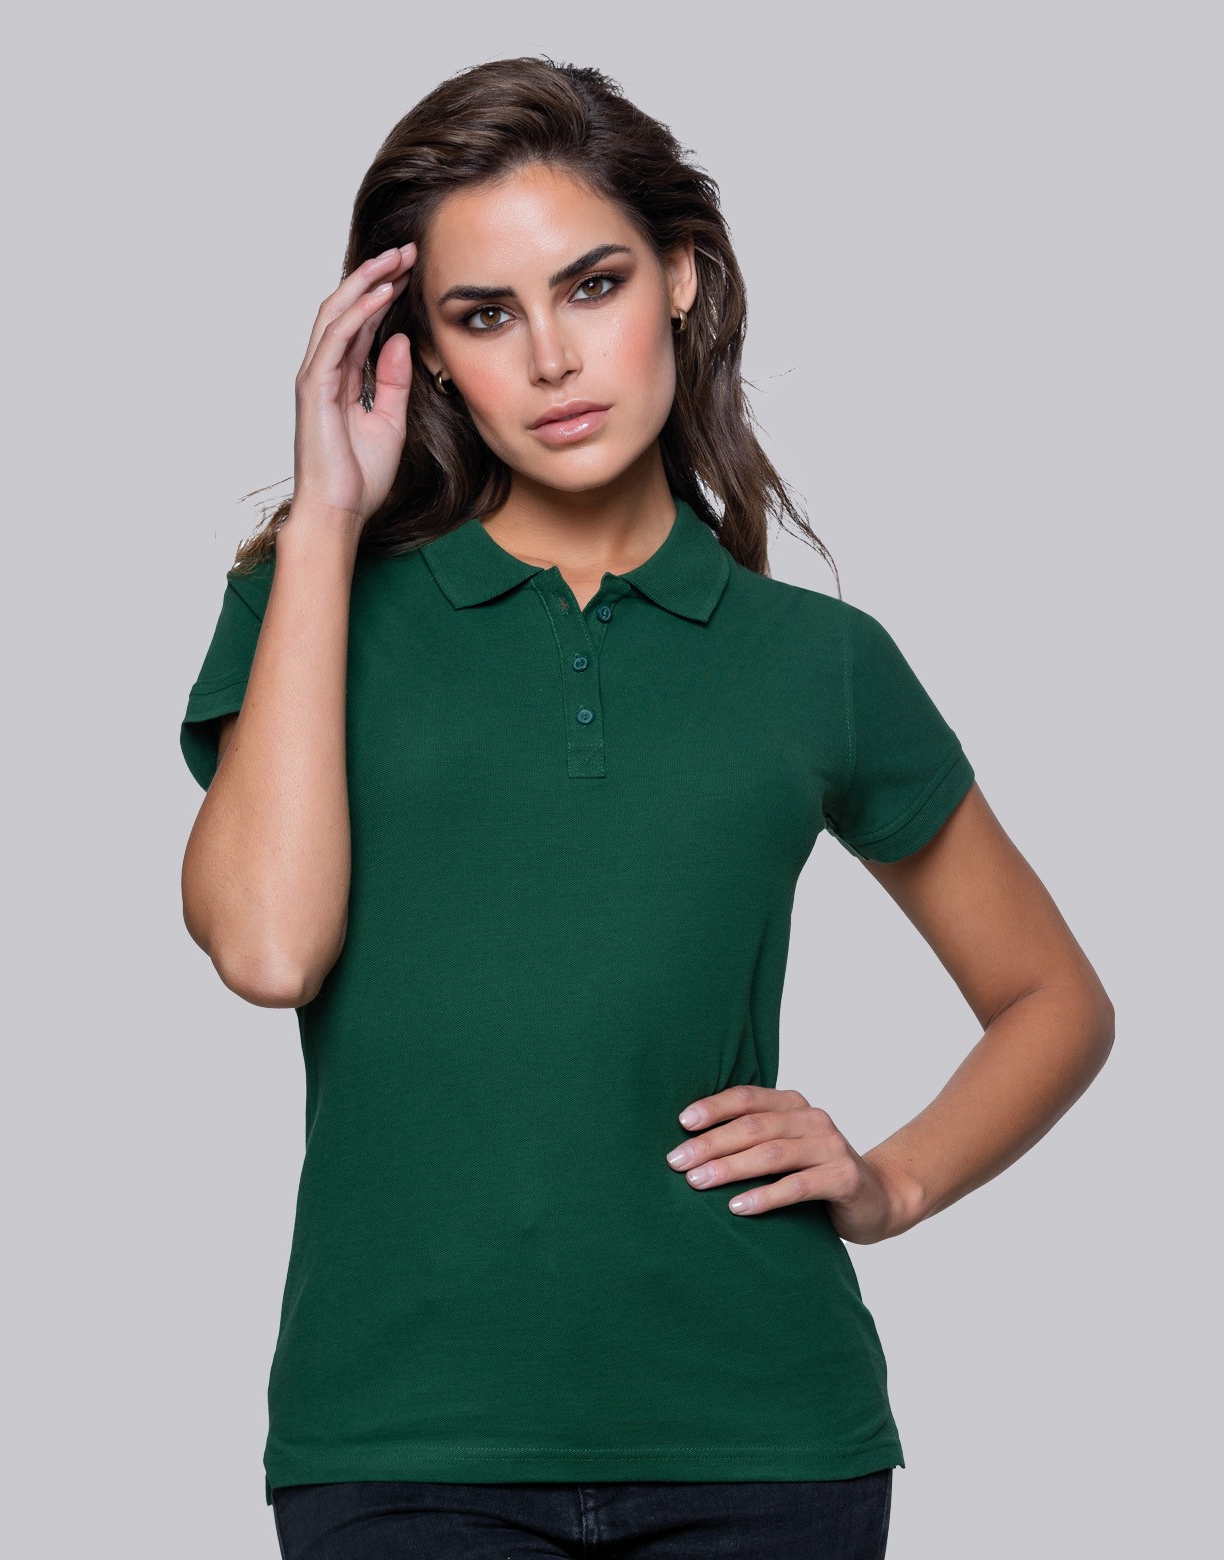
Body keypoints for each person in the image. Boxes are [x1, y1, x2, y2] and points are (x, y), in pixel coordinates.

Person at [178, 56, 1115, 1560]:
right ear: (424, 354)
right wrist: (328, 524)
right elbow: (269, 951)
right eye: (485, 315)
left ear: (680, 276)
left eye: (592, 284)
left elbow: (1052, 999)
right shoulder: (311, 614)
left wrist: (889, 1181)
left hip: (764, 1441)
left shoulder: (818, 663)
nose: (552, 358)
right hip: (402, 1440)